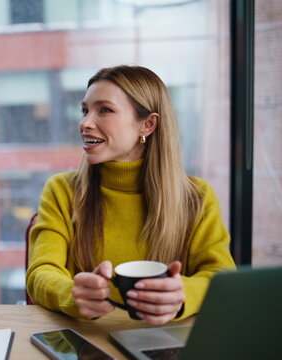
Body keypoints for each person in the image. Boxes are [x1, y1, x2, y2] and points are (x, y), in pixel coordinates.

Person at [26, 65, 235, 325]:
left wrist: (183, 295)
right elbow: (41, 271)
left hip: (166, 340)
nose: (85, 123)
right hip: (86, 341)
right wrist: (70, 293)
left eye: (104, 110)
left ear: (147, 124)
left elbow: (220, 275)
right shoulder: (62, 190)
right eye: (85, 110)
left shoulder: (196, 196)